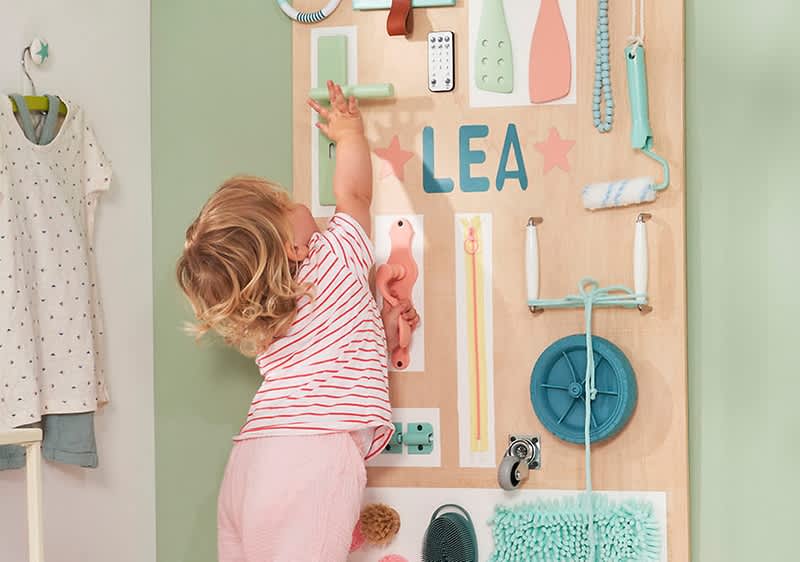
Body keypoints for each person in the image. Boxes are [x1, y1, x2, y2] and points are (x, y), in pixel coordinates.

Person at [176, 81, 418, 561]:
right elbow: (353, 193)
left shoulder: (265, 317)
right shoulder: (333, 253)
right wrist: (350, 134)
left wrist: (380, 324)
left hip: (251, 460)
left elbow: (331, 347)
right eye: (287, 203)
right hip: (312, 456)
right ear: (292, 247)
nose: (301, 203)